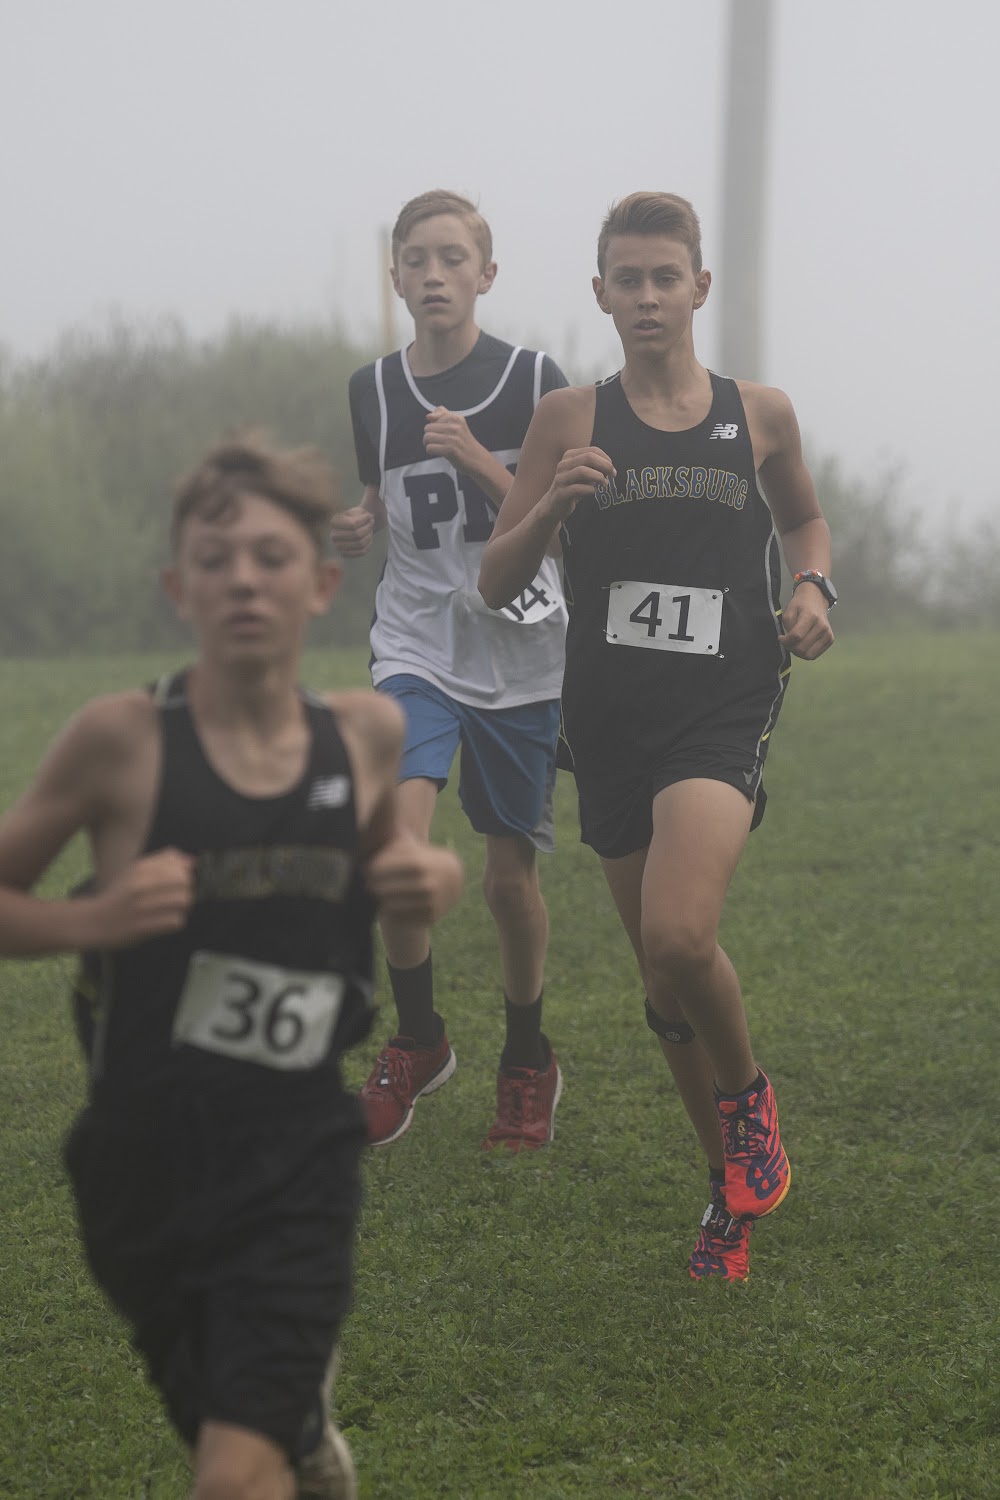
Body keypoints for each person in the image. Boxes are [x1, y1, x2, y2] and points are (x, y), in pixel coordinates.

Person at [0, 432, 464, 1499]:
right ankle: (299, 1438)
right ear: (179, 588)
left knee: (229, 1476)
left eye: (270, 556)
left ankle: (279, 1435)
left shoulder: (365, 735)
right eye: (215, 560)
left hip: (295, 1152)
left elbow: (399, 863)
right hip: (139, 1164)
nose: (244, 579)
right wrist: (97, 918)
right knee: (241, 1441)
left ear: (322, 585)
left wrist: (428, 876)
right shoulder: (121, 741)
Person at [479, 192, 836, 1281]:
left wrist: (812, 586)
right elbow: (494, 580)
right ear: (601, 293)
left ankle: (749, 1103)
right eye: (626, 279)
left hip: (722, 703)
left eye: (663, 277)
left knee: (681, 938)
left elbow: (802, 520)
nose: (646, 297)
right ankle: (727, 1191)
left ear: (698, 287)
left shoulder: (758, 413)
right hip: (608, 718)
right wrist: (552, 506)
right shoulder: (567, 420)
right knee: (660, 988)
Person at [332, 189, 568, 1153]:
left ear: (486, 273)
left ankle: (526, 1057)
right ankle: (419, 1040)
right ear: (394, 275)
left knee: (510, 882)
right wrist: (359, 522)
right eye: (416, 260)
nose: (433, 275)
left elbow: (562, 519)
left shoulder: (536, 381)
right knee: (396, 853)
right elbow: (382, 496)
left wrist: (476, 456)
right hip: (416, 647)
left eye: (452, 258)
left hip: (522, 652)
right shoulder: (372, 390)